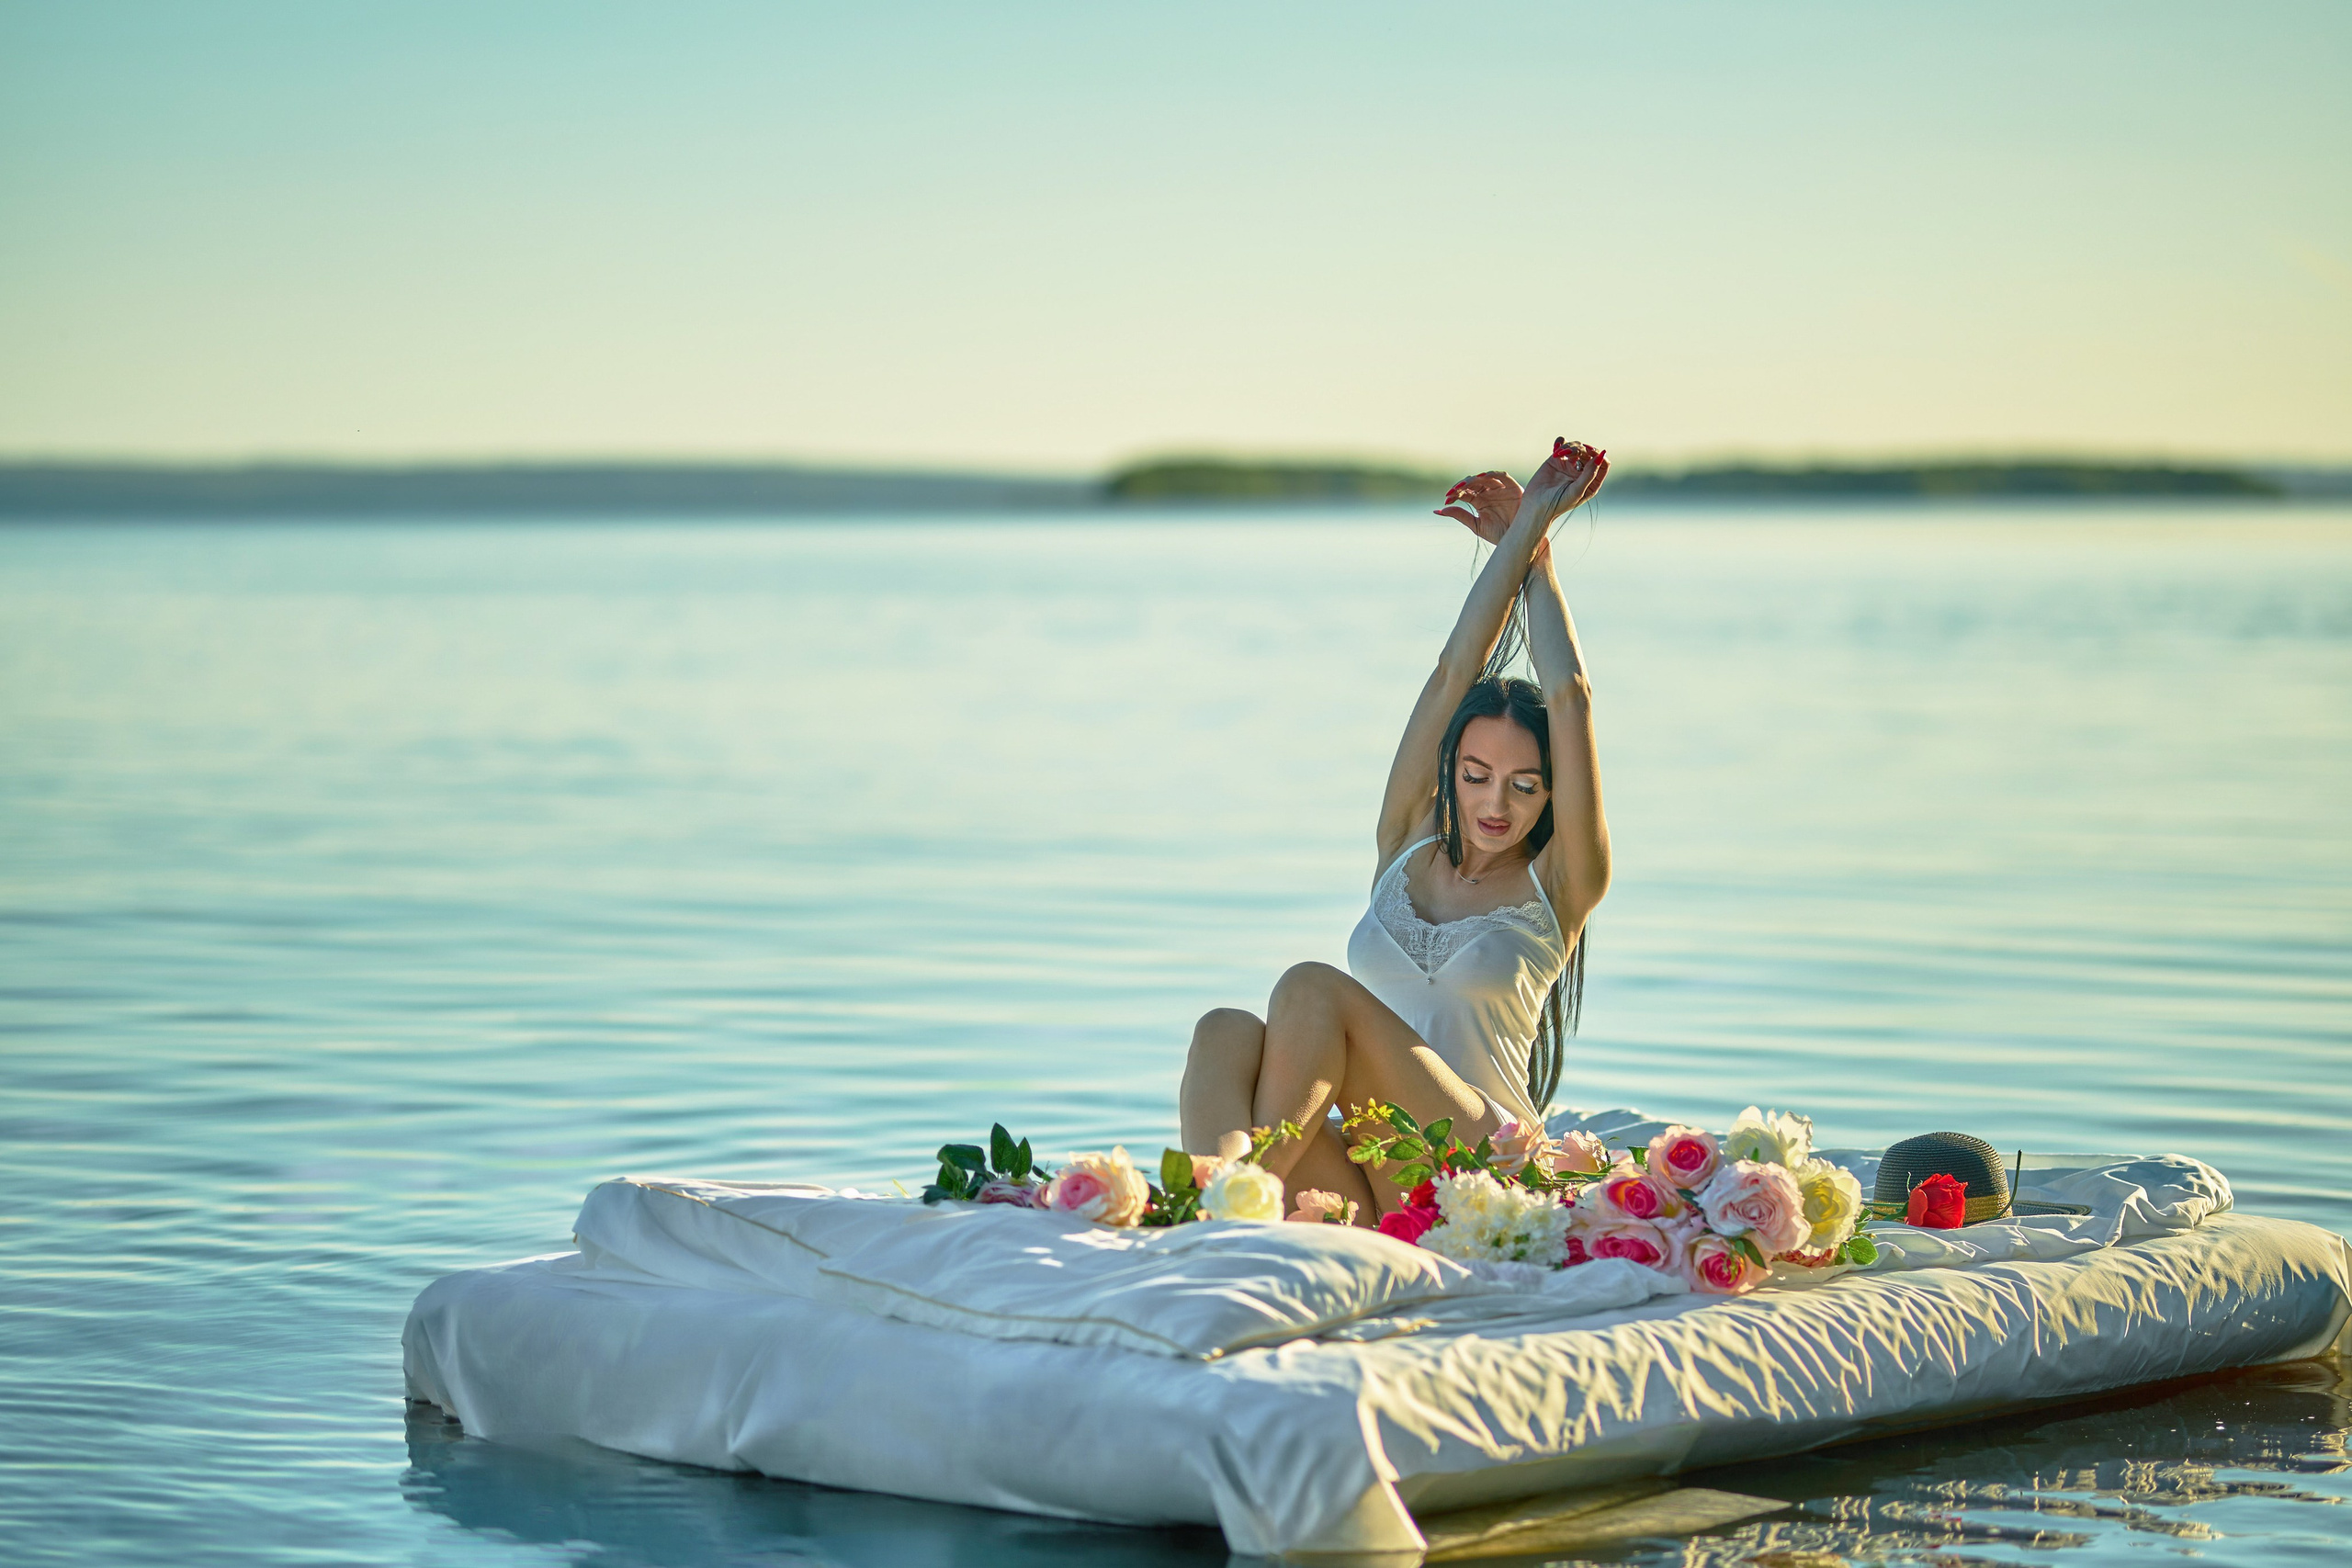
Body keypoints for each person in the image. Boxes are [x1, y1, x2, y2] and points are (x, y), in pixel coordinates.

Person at [1177, 439, 1612, 1220]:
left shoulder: (1562, 885)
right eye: (1475, 774)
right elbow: (1453, 672)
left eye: (1524, 785)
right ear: (1449, 771)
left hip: (1479, 1170)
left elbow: (1570, 694)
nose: (1495, 803)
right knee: (1224, 1031)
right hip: (1379, 1167)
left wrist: (1535, 541)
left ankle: (1235, 1204)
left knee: (1310, 985)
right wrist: (1513, 546)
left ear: (1552, 796)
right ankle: (1227, 1201)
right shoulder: (1405, 841)